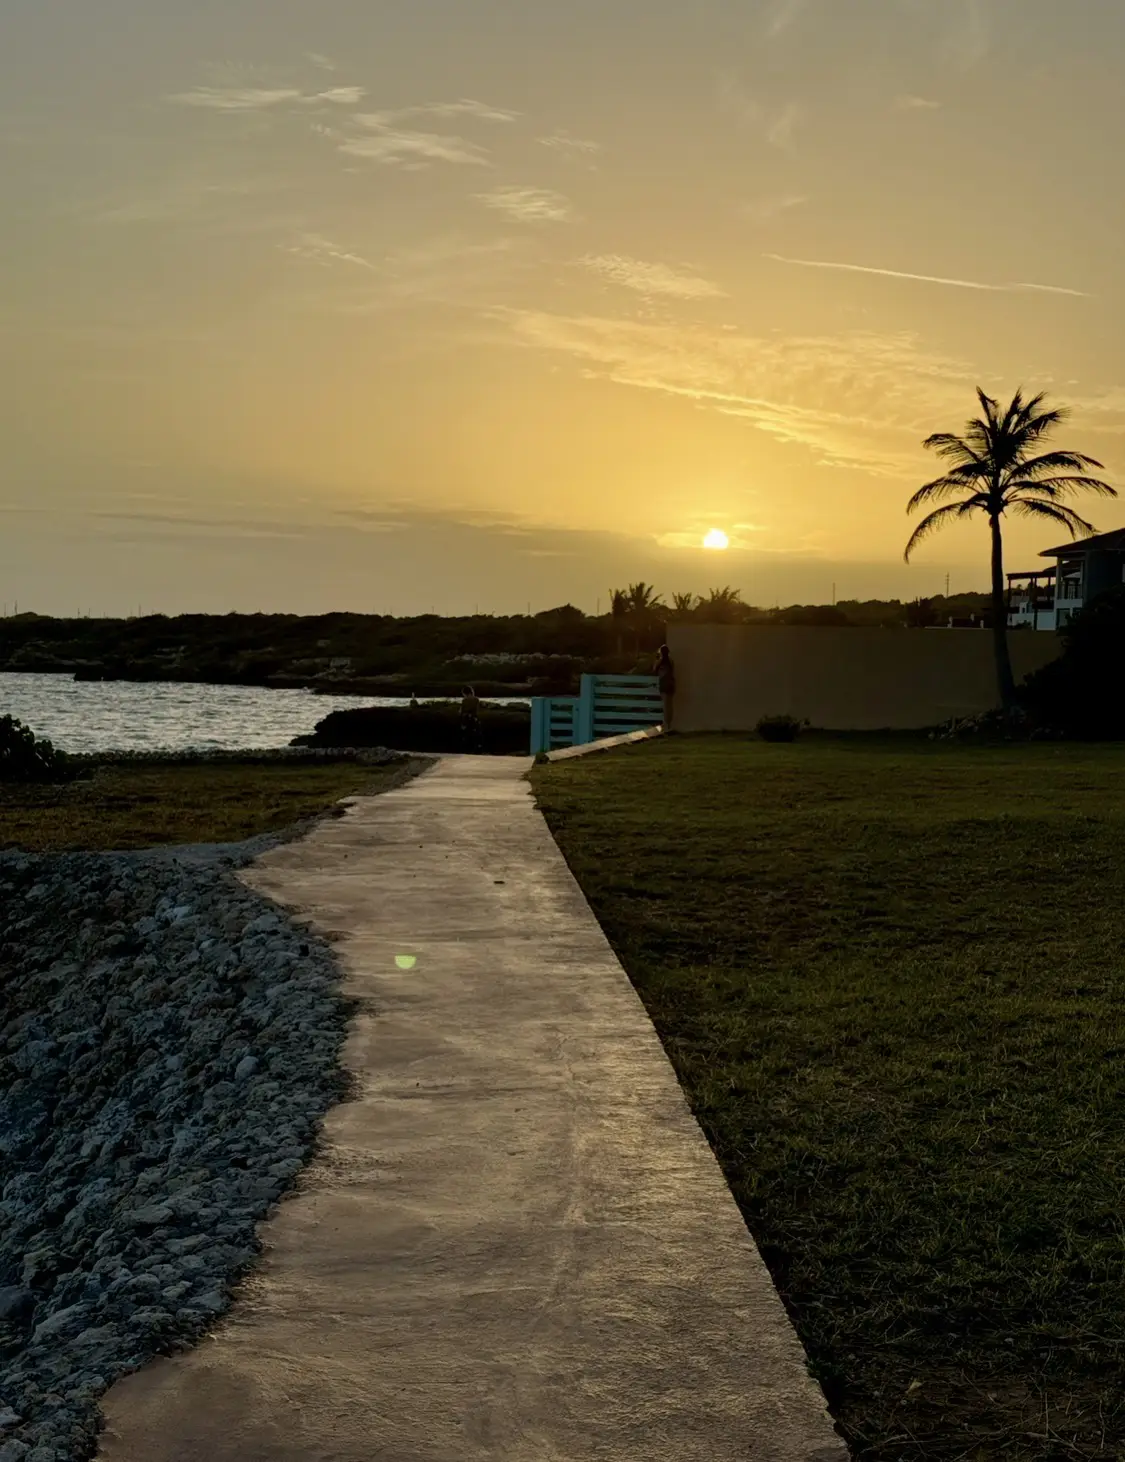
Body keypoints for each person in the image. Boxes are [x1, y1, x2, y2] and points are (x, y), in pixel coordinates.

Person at [653, 644, 676, 732]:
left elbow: (654, 669)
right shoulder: (671, 661)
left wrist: (657, 658)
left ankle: (666, 724)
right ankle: (669, 723)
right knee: (669, 705)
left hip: (663, 684)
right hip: (671, 683)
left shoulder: (660, 661)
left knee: (665, 705)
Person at [459, 685, 482, 752]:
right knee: (476, 735)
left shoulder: (464, 700)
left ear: (464, 693)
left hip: (466, 719)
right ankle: (476, 748)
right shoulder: (476, 699)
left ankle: (466, 749)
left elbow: (462, 712)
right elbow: (477, 711)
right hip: (474, 719)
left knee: (466, 736)